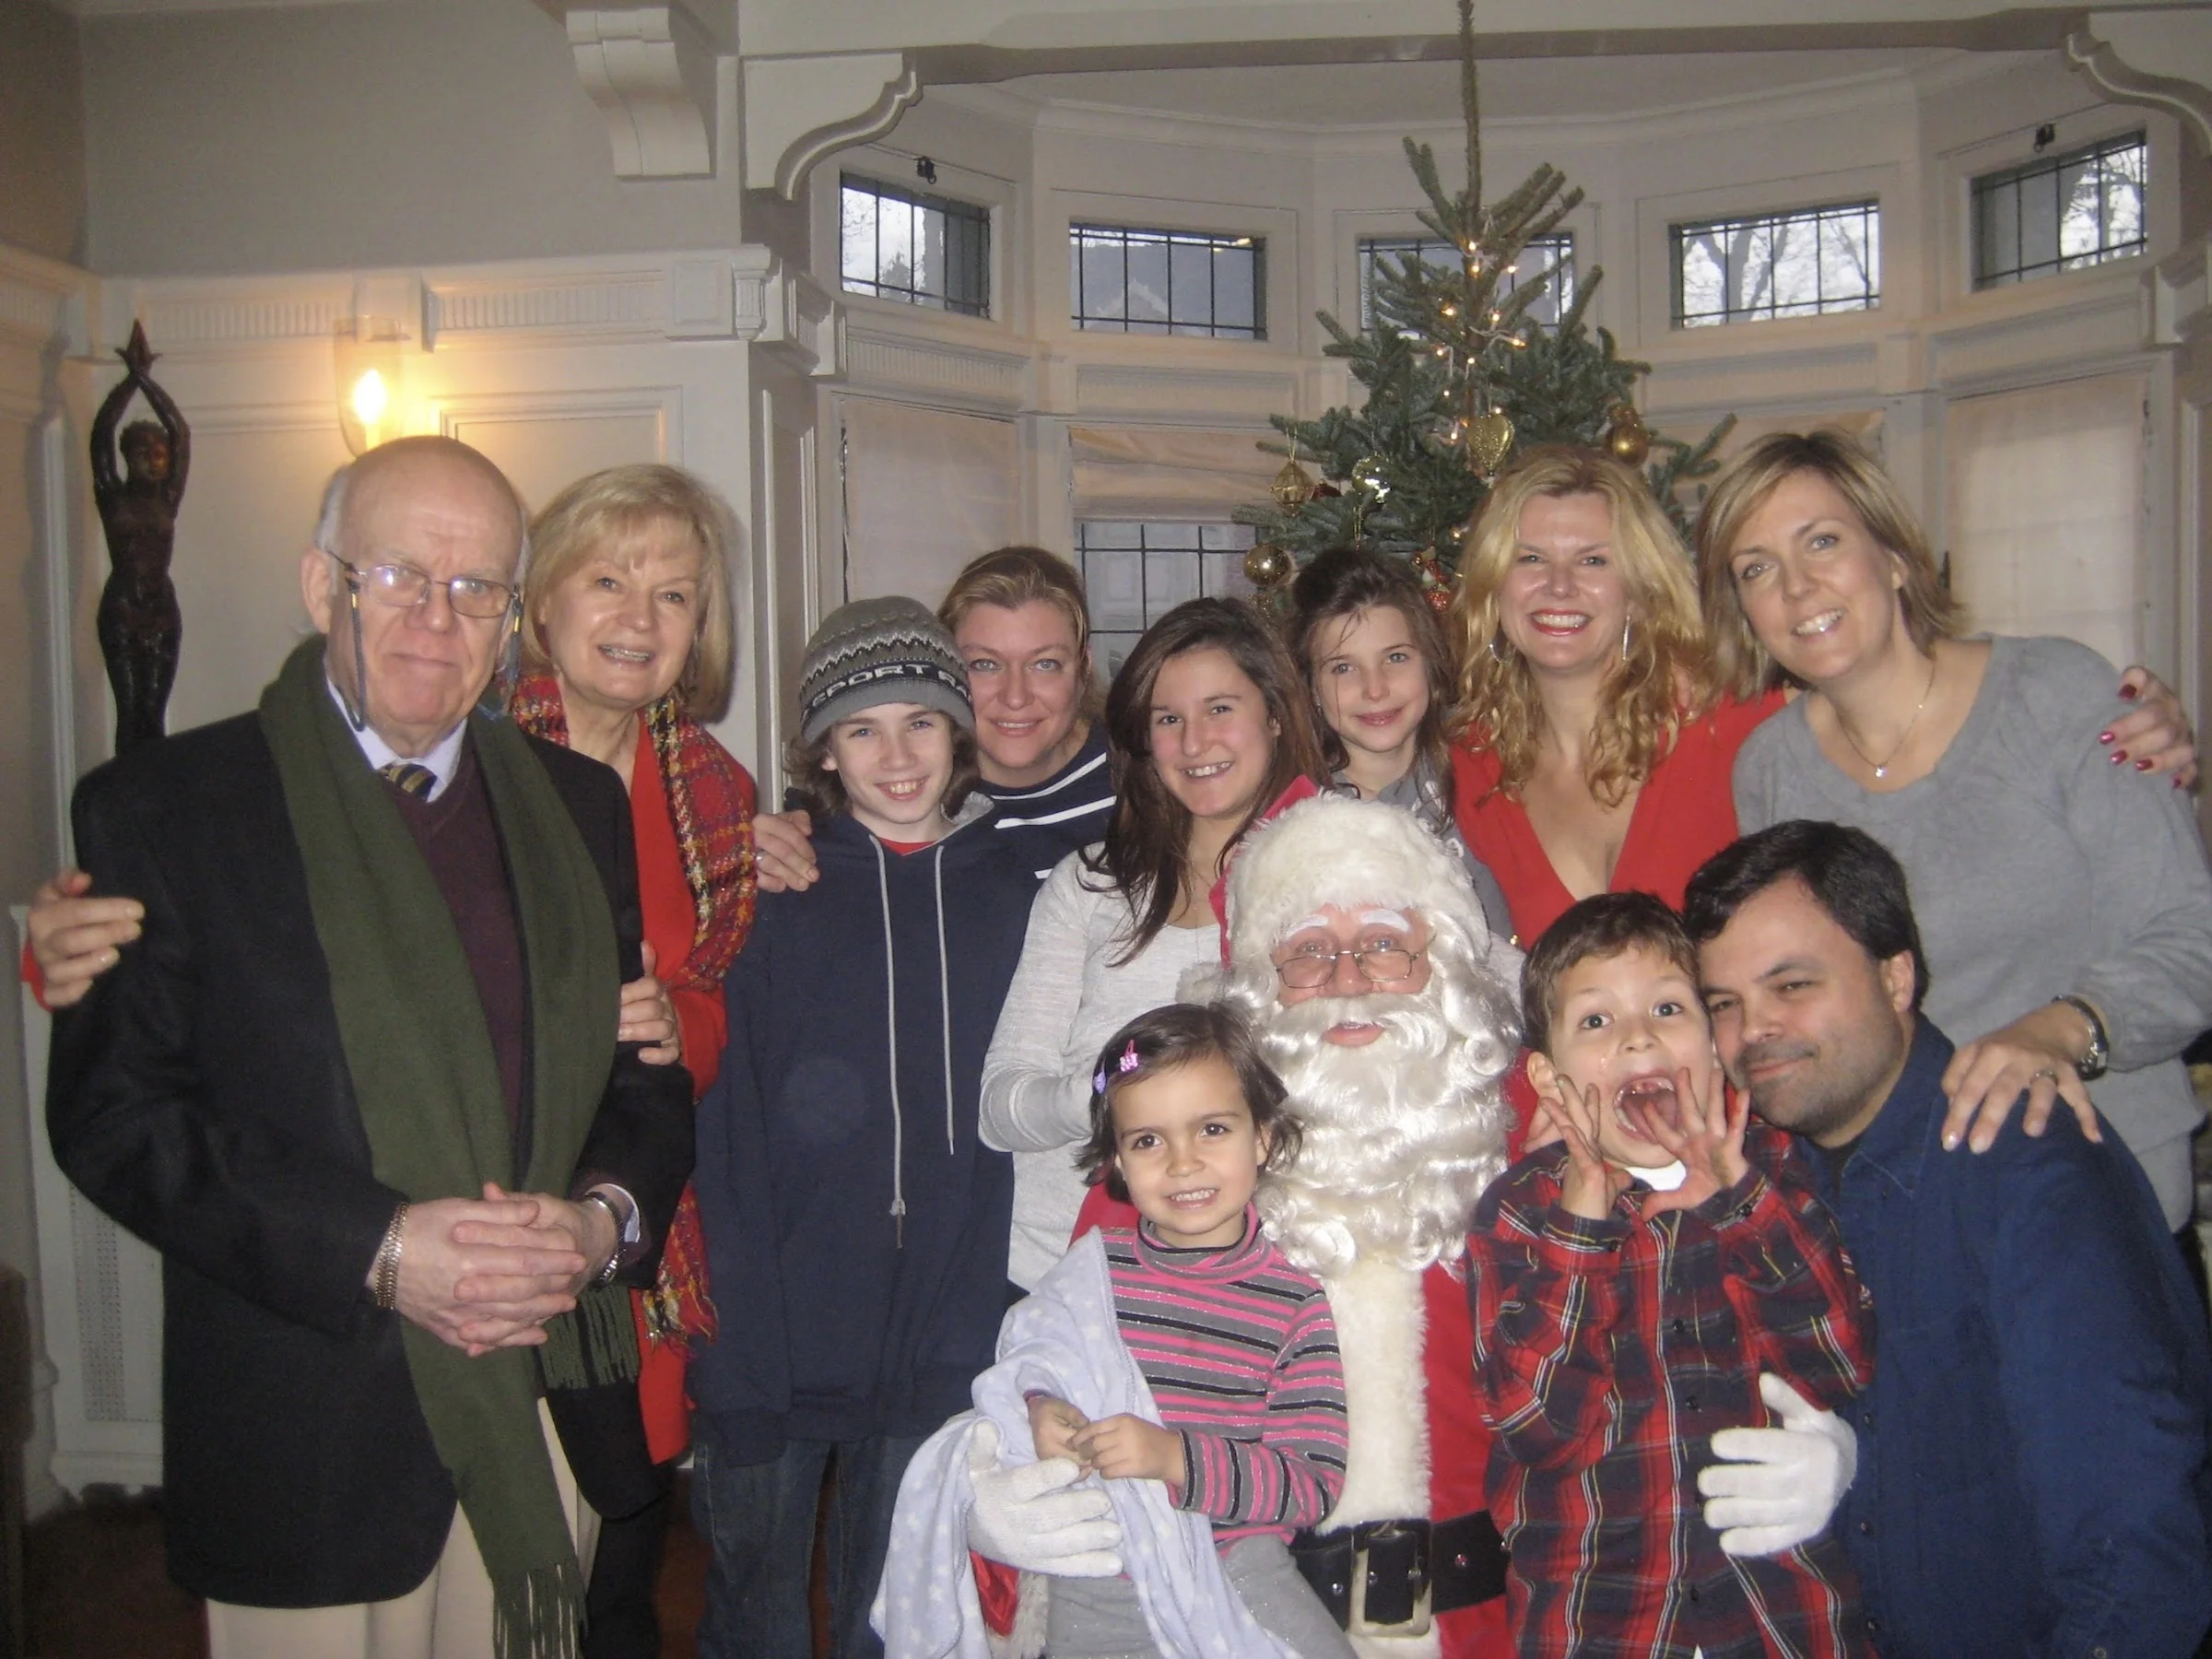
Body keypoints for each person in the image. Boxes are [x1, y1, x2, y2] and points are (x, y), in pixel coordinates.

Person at [43, 435, 695, 1659]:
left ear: (509, 616)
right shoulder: (167, 810)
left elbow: (640, 1076)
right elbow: (119, 1120)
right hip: (311, 1426)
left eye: (475, 587)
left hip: (541, 1390)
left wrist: (597, 1224)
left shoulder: (575, 806)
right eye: (396, 575)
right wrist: (383, 1249)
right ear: (319, 584)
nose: (436, 619)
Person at [963, 795, 1856, 1659]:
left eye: (1386, 944)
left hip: (1499, 1626)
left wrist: (1845, 1451)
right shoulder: (1175, 1170)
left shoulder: (1548, 1142)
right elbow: (1053, 1363)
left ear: (1446, 964)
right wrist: (992, 1490)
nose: (1349, 979)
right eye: (1308, 951)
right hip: (1247, 1617)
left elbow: (1691, 1347)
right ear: (1260, 984)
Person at [1685, 819, 2212, 1659]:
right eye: (1725, 1004)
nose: (1754, 1030)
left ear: (1896, 977)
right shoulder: (1764, 1180)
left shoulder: (2020, 1162)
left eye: (1792, 985)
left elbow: (2132, 1540)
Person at [1700, 429, 2212, 1236]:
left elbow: (2193, 936)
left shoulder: (2055, 693)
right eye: (1757, 569)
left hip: (2104, 1195)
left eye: (1822, 542)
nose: (1797, 588)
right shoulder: (1770, 768)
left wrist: (2059, 1029)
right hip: (1908, 1218)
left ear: (1895, 558)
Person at [1444, 444, 2197, 947]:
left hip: (1760, 1122)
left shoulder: (1741, 724)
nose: (1559, 586)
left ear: (1640, 587)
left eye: (1594, 560)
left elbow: (1896, 695)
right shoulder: (1461, 764)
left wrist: (2114, 716)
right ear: (1492, 585)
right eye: (1530, 559)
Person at [687, 596, 1038, 1659]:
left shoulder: (1017, 896)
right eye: (862, 729)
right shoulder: (764, 892)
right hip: (773, 1315)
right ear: (824, 751)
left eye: (921, 722)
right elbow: (722, 1118)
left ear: (959, 732)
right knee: (755, 1613)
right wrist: (733, 1318)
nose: (897, 757)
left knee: (894, 1612)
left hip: (941, 1317)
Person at [1471, 892, 1873, 1658]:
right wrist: (1581, 1227)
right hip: (1597, 1624)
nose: (1638, 1037)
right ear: (1550, 1080)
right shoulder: (1521, 1210)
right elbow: (1533, 1424)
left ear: (1715, 1048)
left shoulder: (1778, 1169)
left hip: (1781, 1615)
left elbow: (1842, 1360)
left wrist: (1741, 1202)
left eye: (1666, 1009)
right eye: (1596, 1020)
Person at [887, 1002, 1352, 1659]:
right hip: (1097, 1582)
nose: (1183, 1163)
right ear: (1118, 1163)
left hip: (1240, 1575)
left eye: (1212, 1129)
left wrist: (1174, 1458)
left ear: (1264, 1139)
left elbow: (1311, 1484)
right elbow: (1029, 1360)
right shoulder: (1091, 1274)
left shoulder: (1295, 1300)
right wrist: (1040, 1407)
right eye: (1148, 1141)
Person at [510, 463, 758, 1659]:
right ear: (542, 601)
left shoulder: (718, 793)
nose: (639, 618)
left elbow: (717, 991)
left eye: (673, 593)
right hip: (484, 1209)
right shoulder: (460, 756)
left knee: (618, 1562)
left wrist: (681, 1025)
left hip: (632, 1232)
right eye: (607, 580)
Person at [981, 596, 1328, 1292]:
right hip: (1059, 1275)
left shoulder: (1334, 881)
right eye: (1169, 719)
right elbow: (999, 1108)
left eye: (1220, 708)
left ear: (1275, 715)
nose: (1195, 743)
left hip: (1250, 1290)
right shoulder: (1090, 885)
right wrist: (1118, 1092)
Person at [754, 545, 1116, 889]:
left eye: (1045, 664)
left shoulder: (1136, 784)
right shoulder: (911, 788)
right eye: (985, 664)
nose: (1015, 696)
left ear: (1083, 668)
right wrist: (774, 849)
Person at [1288, 545, 1512, 935]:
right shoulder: (1297, 815)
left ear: (1430, 663)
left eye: (1395, 658)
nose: (1375, 689)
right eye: (1343, 667)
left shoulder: (1487, 766)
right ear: (1312, 688)